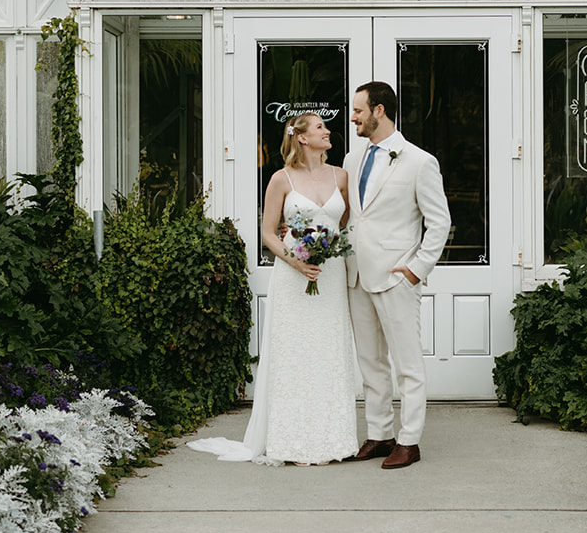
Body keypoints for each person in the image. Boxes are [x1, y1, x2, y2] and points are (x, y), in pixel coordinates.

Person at [189, 111, 360, 465]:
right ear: (301, 137)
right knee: (294, 356)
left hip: (329, 278)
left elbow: (343, 224)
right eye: (320, 128)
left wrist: (325, 248)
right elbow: (268, 233)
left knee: (328, 354)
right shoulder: (281, 179)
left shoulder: (341, 176)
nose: (328, 132)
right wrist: (297, 259)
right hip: (293, 276)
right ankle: (291, 439)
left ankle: (333, 439)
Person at [342, 80, 451, 470]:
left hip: (396, 276)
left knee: (407, 365)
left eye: (358, 110)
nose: (353, 117)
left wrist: (416, 269)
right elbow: (352, 217)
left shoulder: (419, 161)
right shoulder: (353, 160)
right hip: (356, 275)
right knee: (370, 362)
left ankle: (410, 440)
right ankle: (380, 433)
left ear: (380, 111)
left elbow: (439, 223)